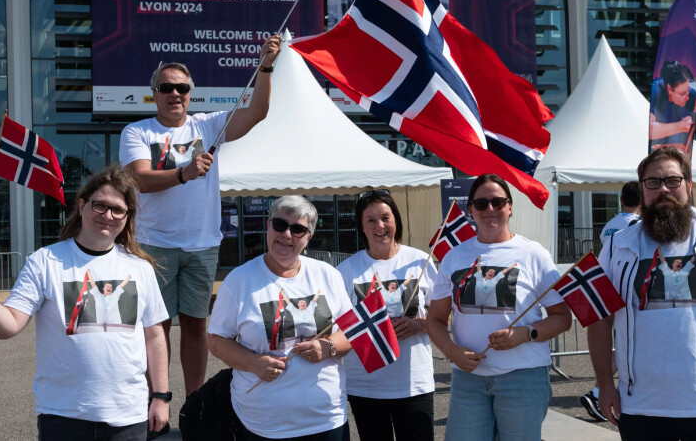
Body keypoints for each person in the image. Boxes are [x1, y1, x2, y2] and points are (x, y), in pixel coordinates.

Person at [0, 165, 170, 439]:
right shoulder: (45, 262)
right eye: (100, 205)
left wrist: (161, 396)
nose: (108, 215)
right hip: (63, 416)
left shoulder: (139, 268)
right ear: (82, 206)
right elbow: (8, 325)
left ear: (126, 217)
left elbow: (154, 337)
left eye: (118, 209)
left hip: (127, 417)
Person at [120, 35, 280, 394]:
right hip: (152, 246)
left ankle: (194, 405)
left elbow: (258, 112)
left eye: (182, 87)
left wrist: (265, 66)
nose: (174, 93)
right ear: (155, 94)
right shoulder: (138, 131)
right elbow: (140, 180)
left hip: (201, 245)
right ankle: (155, 403)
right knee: (155, 327)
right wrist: (184, 173)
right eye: (166, 87)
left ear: (190, 93)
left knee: (196, 327)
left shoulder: (208, 126)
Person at [587, 146, 696, 440]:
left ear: (689, 185)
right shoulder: (617, 245)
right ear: (642, 189)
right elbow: (599, 317)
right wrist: (605, 385)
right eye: (653, 182)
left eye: (673, 181)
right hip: (640, 405)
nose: (663, 190)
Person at [426, 174, 572, 441]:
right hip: (468, 379)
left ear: (510, 206)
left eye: (497, 202)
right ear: (470, 210)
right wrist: (452, 352)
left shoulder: (533, 253)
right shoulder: (454, 257)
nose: (489, 209)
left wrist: (526, 334)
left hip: (523, 378)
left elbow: (562, 317)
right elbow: (434, 319)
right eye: (481, 204)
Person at [208, 196, 353, 440]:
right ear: (267, 225)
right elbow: (216, 340)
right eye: (280, 224)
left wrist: (327, 347)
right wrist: (253, 363)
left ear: (309, 237)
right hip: (261, 423)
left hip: (325, 418)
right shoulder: (239, 280)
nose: (287, 234)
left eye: (298, 229)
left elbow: (353, 332)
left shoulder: (327, 275)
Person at [336, 191, 437, 441]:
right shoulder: (346, 271)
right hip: (366, 385)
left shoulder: (419, 261)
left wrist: (418, 324)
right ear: (361, 226)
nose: (379, 226)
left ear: (396, 220)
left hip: (414, 382)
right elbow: (337, 329)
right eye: (370, 220)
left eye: (385, 217)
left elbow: (442, 318)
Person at [583, 181, 641, 421]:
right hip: (626, 288)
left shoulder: (610, 224)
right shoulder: (636, 226)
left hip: (609, 284)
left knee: (621, 344)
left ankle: (598, 390)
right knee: (628, 344)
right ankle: (597, 391)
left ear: (620, 200)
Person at [649, 61, 696, 150]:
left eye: (687, 91)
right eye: (682, 94)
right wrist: (679, 126)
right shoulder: (655, 90)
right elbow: (650, 129)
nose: (687, 97)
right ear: (669, 89)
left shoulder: (692, 95)